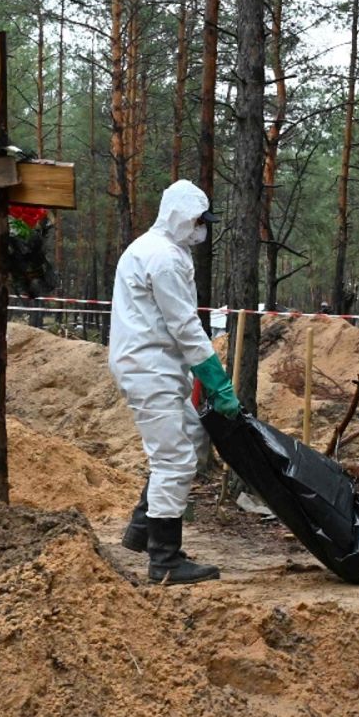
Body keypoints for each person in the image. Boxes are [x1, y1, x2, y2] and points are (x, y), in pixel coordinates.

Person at [109, 179, 239, 584]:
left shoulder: (157, 249)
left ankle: (141, 529)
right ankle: (165, 559)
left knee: (189, 436)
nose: (202, 230)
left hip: (156, 363)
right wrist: (215, 379)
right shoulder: (162, 257)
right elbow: (184, 325)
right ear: (181, 216)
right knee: (174, 459)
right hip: (149, 366)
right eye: (199, 221)